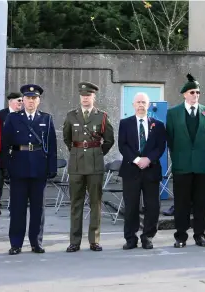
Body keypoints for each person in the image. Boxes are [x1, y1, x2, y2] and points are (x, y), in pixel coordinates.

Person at [1, 85, 57, 255]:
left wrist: (51, 167)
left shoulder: (46, 119)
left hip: (39, 166)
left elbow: (52, 145)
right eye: (28, 98)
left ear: (38, 101)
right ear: (22, 100)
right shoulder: (13, 118)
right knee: (17, 208)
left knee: (38, 208)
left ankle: (36, 242)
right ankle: (16, 243)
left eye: (34, 98)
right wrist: (5, 168)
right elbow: (5, 144)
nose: (31, 101)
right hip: (18, 165)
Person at [62, 81, 115, 252]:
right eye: (83, 95)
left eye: (88, 95)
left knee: (95, 203)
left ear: (94, 97)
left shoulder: (102, 116)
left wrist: (97, 153)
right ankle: (74, 241)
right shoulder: (71, 115)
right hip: (76, 164)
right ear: (80, 97)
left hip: (95, 164)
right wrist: (77, 152)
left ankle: (94, 240)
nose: (85, 98)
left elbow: (109, 140)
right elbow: (67, 138)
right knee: (75, 203)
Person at [166, 74, 205, 248]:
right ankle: (180, 236)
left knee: (202, 202)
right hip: (182, 164)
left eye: (198, 92)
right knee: (181, 203)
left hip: (201, 165)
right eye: (192, 92)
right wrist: (179, 157)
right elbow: (170, 139)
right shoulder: (173, 113)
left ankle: (200, 235)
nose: (196, 95)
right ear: (185, 94)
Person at [118, 92, 166, 250]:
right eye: (138, 102)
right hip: (131, 170)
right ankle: (130, 238)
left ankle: (148, 237)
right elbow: (122, 145)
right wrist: (137, 160)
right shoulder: (125, 123)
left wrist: (148, 159)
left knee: (152, 206)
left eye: (143, 102)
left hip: (151, 170)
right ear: (133, 105)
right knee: (131, 206)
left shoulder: (158, 125)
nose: (140, 105)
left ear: (148, 105)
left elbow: (160, 146)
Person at [0, 92, 23, 215]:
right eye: (19, 101)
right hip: (3, 152)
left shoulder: (22, 115)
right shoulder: (1, 114)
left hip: (18, 152)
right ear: (10, 101)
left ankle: (15, 206)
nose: (21, 103)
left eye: (22, 101)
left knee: (17, 181)